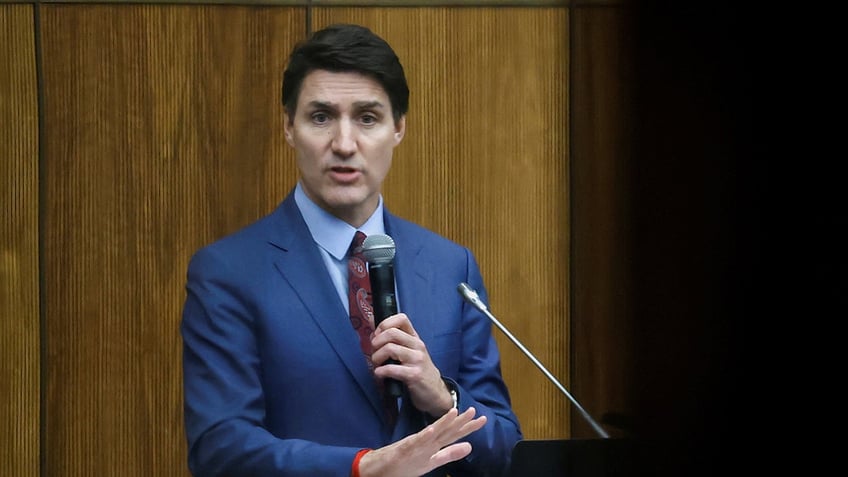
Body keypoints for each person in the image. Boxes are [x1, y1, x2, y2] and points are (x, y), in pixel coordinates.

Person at [181, 23, 522, 477]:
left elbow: (505, 447)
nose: (344, 144)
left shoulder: (449, 266)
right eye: (321, 117)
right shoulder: (228, 272)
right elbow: (220, 449)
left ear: (398, 128)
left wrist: (442, 396)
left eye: (367, 118)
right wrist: (363, 467)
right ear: (288, 127)